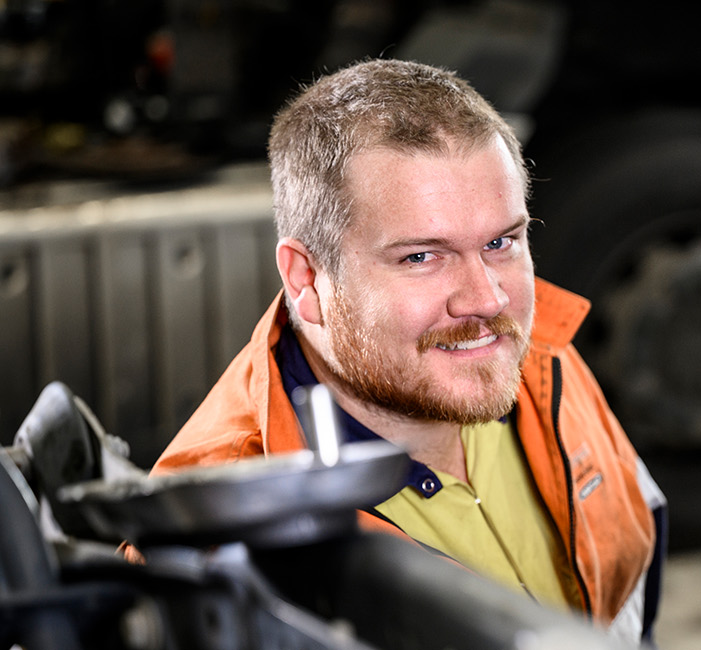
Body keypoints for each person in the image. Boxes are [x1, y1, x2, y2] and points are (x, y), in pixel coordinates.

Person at [152, 59, 666, 643]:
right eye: (421, 256)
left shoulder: (546, 357)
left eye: (501, 242)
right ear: (306, 279)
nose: (488, 299)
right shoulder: (210, 547)